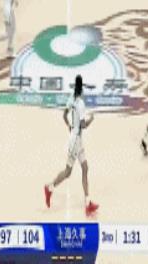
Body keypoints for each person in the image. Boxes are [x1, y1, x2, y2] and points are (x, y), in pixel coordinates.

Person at [44, 75, 99, 217]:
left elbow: (64, 115)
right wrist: (92, 119)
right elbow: (83, 125)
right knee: (68, 172)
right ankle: (49, 187)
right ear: (82, 89)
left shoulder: (71, 99)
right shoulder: (80, 104)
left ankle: (88, 203)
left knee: (85, 168)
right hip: (75, 142)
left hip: (77, 140)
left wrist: (69, 126)